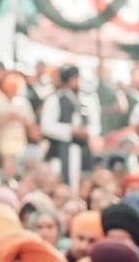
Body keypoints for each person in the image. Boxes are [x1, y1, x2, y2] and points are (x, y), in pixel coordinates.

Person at [41, 65, 101, 193]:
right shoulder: (55, 99)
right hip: (62, 147)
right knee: (63, 183)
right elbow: (46, 126)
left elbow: (96, 125)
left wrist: (87, 131)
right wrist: (71, 130)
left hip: (83, 148)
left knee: (84, 182)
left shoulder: (88, 99)